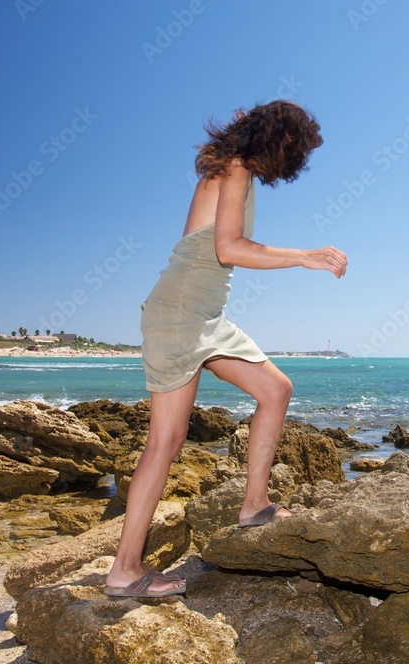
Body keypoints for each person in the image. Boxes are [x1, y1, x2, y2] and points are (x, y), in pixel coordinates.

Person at [104, 100, 347, 598]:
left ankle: (253, 504)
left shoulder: (233, 170)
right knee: (164, 444)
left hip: (205, 318)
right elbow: (228, 249)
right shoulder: (233, 169)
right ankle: (124, 571)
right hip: (179, 315)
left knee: (276, 389)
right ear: (280, 142)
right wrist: (305, 256)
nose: (297, 163)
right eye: (298, 151)